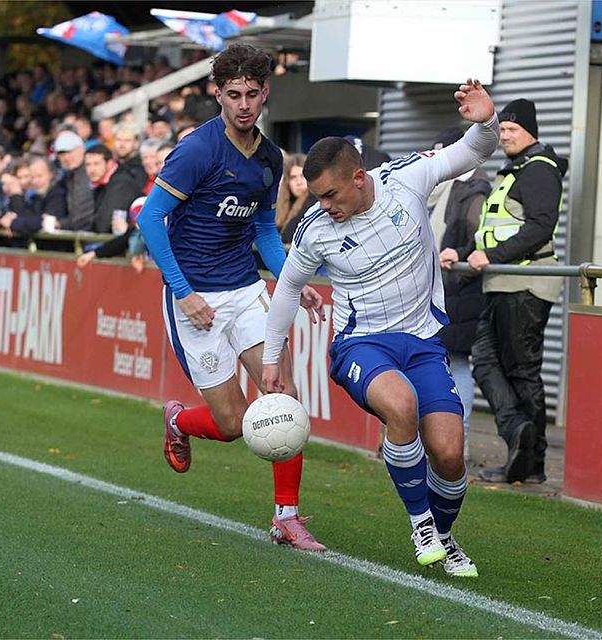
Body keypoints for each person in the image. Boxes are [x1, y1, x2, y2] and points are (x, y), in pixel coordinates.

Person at [262, 78, 499, 577]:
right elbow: (286, 289)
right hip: (360, 344)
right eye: (316, 196)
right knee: (401, 406)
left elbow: (471, 149)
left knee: (452, 455)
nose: (322, 205)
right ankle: (421, 525)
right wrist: (271, 360)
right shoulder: (315, 230)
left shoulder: (406, 178)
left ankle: (446, 537)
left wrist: (485, 119)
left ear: (360, 178)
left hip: (423, 343)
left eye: (329, 194)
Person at [137, 43, 328, 552]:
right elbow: (149, 220)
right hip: (195, 296)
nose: (244, 104)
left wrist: (291, 278)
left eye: (252, 94)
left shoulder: (270, 157)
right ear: (217, 93)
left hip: (245, 290)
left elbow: (265, 229)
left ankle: (286, 516)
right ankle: (178, 419)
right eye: (233, 94)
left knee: (282, 397)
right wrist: (183, 292)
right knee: (230, 424)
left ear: (265, 93)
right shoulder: (197, 150)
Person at [439, 98, 566, 486]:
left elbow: (539, 228)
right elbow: (495, 230)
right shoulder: (516, 170)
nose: (505, 135)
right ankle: (517, 436)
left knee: (521, 370)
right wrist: (460, 253)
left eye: (511, 129)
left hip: (524, 283)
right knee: (489, 363)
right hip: (503, 281)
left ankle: (531, 458)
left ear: (530, 131)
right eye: (503, 129)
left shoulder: (539, 170)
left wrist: (490, 255)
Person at [429, 126, 491, 461]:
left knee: (457, 365)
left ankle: (458, 445)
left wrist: (460, 254)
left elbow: (478, 237)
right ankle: (443, 443)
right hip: (445, 290)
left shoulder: (474, 188)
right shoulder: (448, 186)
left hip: (459, 292)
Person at [276, 153, 315, 244]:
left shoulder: (313, 201)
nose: (299, 182)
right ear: (287, 181)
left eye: (302, 176)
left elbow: (288, 236)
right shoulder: (283, 204)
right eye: (293, 177)